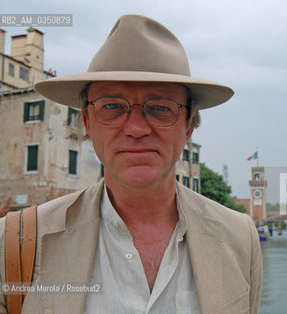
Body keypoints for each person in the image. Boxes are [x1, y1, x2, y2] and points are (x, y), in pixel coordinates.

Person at [0, 15, 262, 313]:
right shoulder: (14, 243)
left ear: (188, 128)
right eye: (112, 106)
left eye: (160, 108)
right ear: (87, 123)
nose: (136, 128)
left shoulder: (240, 238)